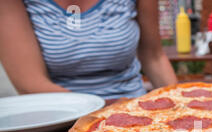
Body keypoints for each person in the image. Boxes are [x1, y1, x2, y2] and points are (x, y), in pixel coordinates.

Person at [0, 0, 177, 100]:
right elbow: (30, 84)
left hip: (135, 109)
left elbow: (154, 58)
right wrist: (102, 113)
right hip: (60, 114)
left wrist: (183, 105)